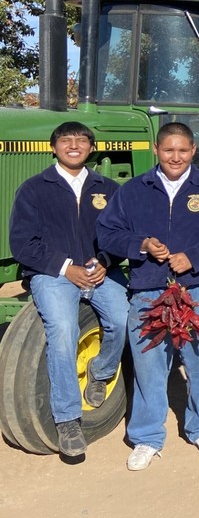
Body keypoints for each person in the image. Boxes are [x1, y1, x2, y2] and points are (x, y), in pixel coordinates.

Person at [97, 122, 199, 470]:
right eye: (168, 150)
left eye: (182, 150)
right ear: (156, 150)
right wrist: (141, 245)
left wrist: (195, 256)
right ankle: (147, 437)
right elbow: (107, 232)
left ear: (194, 151)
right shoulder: (133, 191)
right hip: (149, 290)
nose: (175, 157)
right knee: (148, 366)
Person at [8, 121, 130, 459]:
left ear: (91, 148)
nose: (74, 145)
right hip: (53, 275)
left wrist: (106, 260)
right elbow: (23, 244)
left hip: (98, 273)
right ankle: (68, 421)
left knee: (124, 319)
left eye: (81, 140)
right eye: (66, 140)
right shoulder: (34, 189)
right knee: (62, 331)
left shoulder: (107, 188)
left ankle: (101, 371)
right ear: (54, 147)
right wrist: (66, 268)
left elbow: (121, 235)